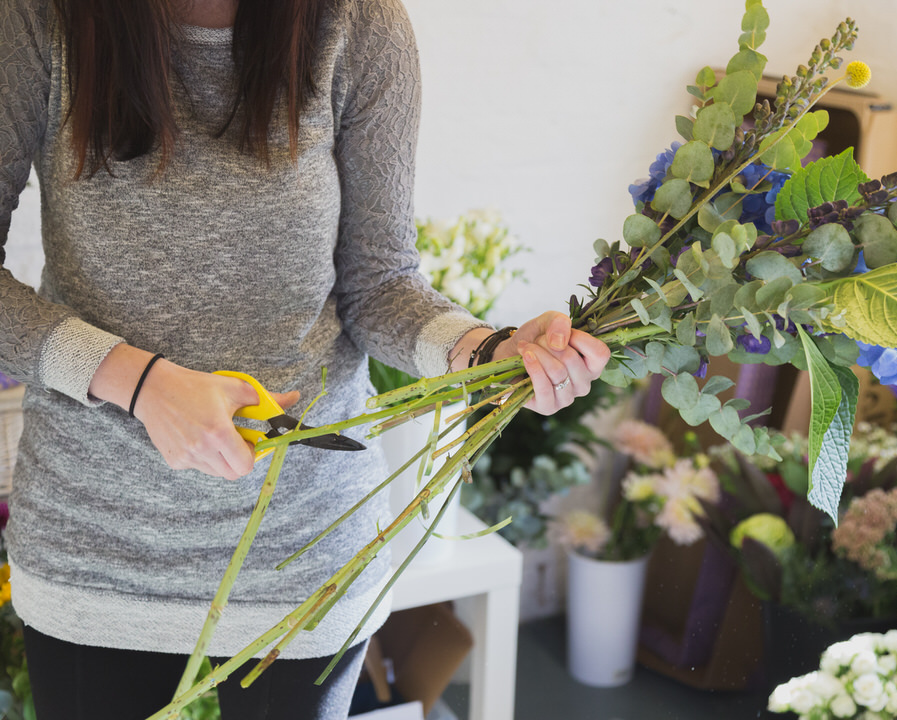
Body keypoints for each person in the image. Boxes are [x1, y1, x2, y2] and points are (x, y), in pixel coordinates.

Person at [0, 0, 610, 718]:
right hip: (94, 552)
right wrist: (140, 384)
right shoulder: (40, 20)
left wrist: (486, 352)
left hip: (304, 560)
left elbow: (380, 284)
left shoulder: (359, 26)